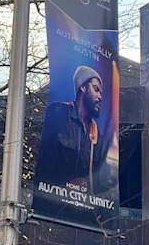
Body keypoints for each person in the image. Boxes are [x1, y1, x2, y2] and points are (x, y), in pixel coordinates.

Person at [35, 65, 113, 195]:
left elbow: (102, 178)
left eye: (101, 93)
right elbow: (42, 157)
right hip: (50, 202)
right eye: (96, 89)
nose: (100, 97)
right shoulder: (58, 112)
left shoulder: (96, 133)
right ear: (82, 87)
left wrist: (86, 184)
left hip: (80, 209)